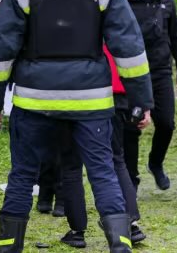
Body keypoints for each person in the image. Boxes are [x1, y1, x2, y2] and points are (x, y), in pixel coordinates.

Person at [0, 0, 153, 252]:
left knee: (21, 176)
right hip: (91, 101)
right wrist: (141, 102)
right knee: (103, 174)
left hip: (33, 101)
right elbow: (129, 47)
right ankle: (121, 246)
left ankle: (7, 248)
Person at [59, 47, 151, 249]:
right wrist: (143, 102)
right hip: (112, 93)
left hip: (70, 93)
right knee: (115, 161)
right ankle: (131, 223)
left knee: (71, 165)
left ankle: (77, 231)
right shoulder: (113, 16)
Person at [124, 0, 177, 191]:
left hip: (160, 71)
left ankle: (156, 163)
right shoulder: (123, 1)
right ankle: (131, 179)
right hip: (131, 72)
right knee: (132, 127)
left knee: (166, 123)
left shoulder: (166, 1)